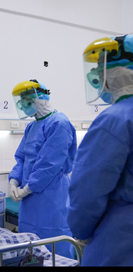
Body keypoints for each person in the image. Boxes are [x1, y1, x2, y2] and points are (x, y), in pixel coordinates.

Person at [68, 34, 133, 266]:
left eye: (100, 71)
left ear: (118, 73)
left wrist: (81, 230)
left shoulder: (115, 119)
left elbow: (89, 187)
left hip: (121, 239)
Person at [8, 79, 77, 259]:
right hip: (29, 201)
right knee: (29, 245)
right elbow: (22, 157)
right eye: (22, 103)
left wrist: (28, 188)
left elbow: (49, 164)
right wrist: (14, 181)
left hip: (51, 196)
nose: (25, 106)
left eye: (28, 102)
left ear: (42, 98)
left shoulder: (59, 123)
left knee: (55, 247)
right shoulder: (31, 126)